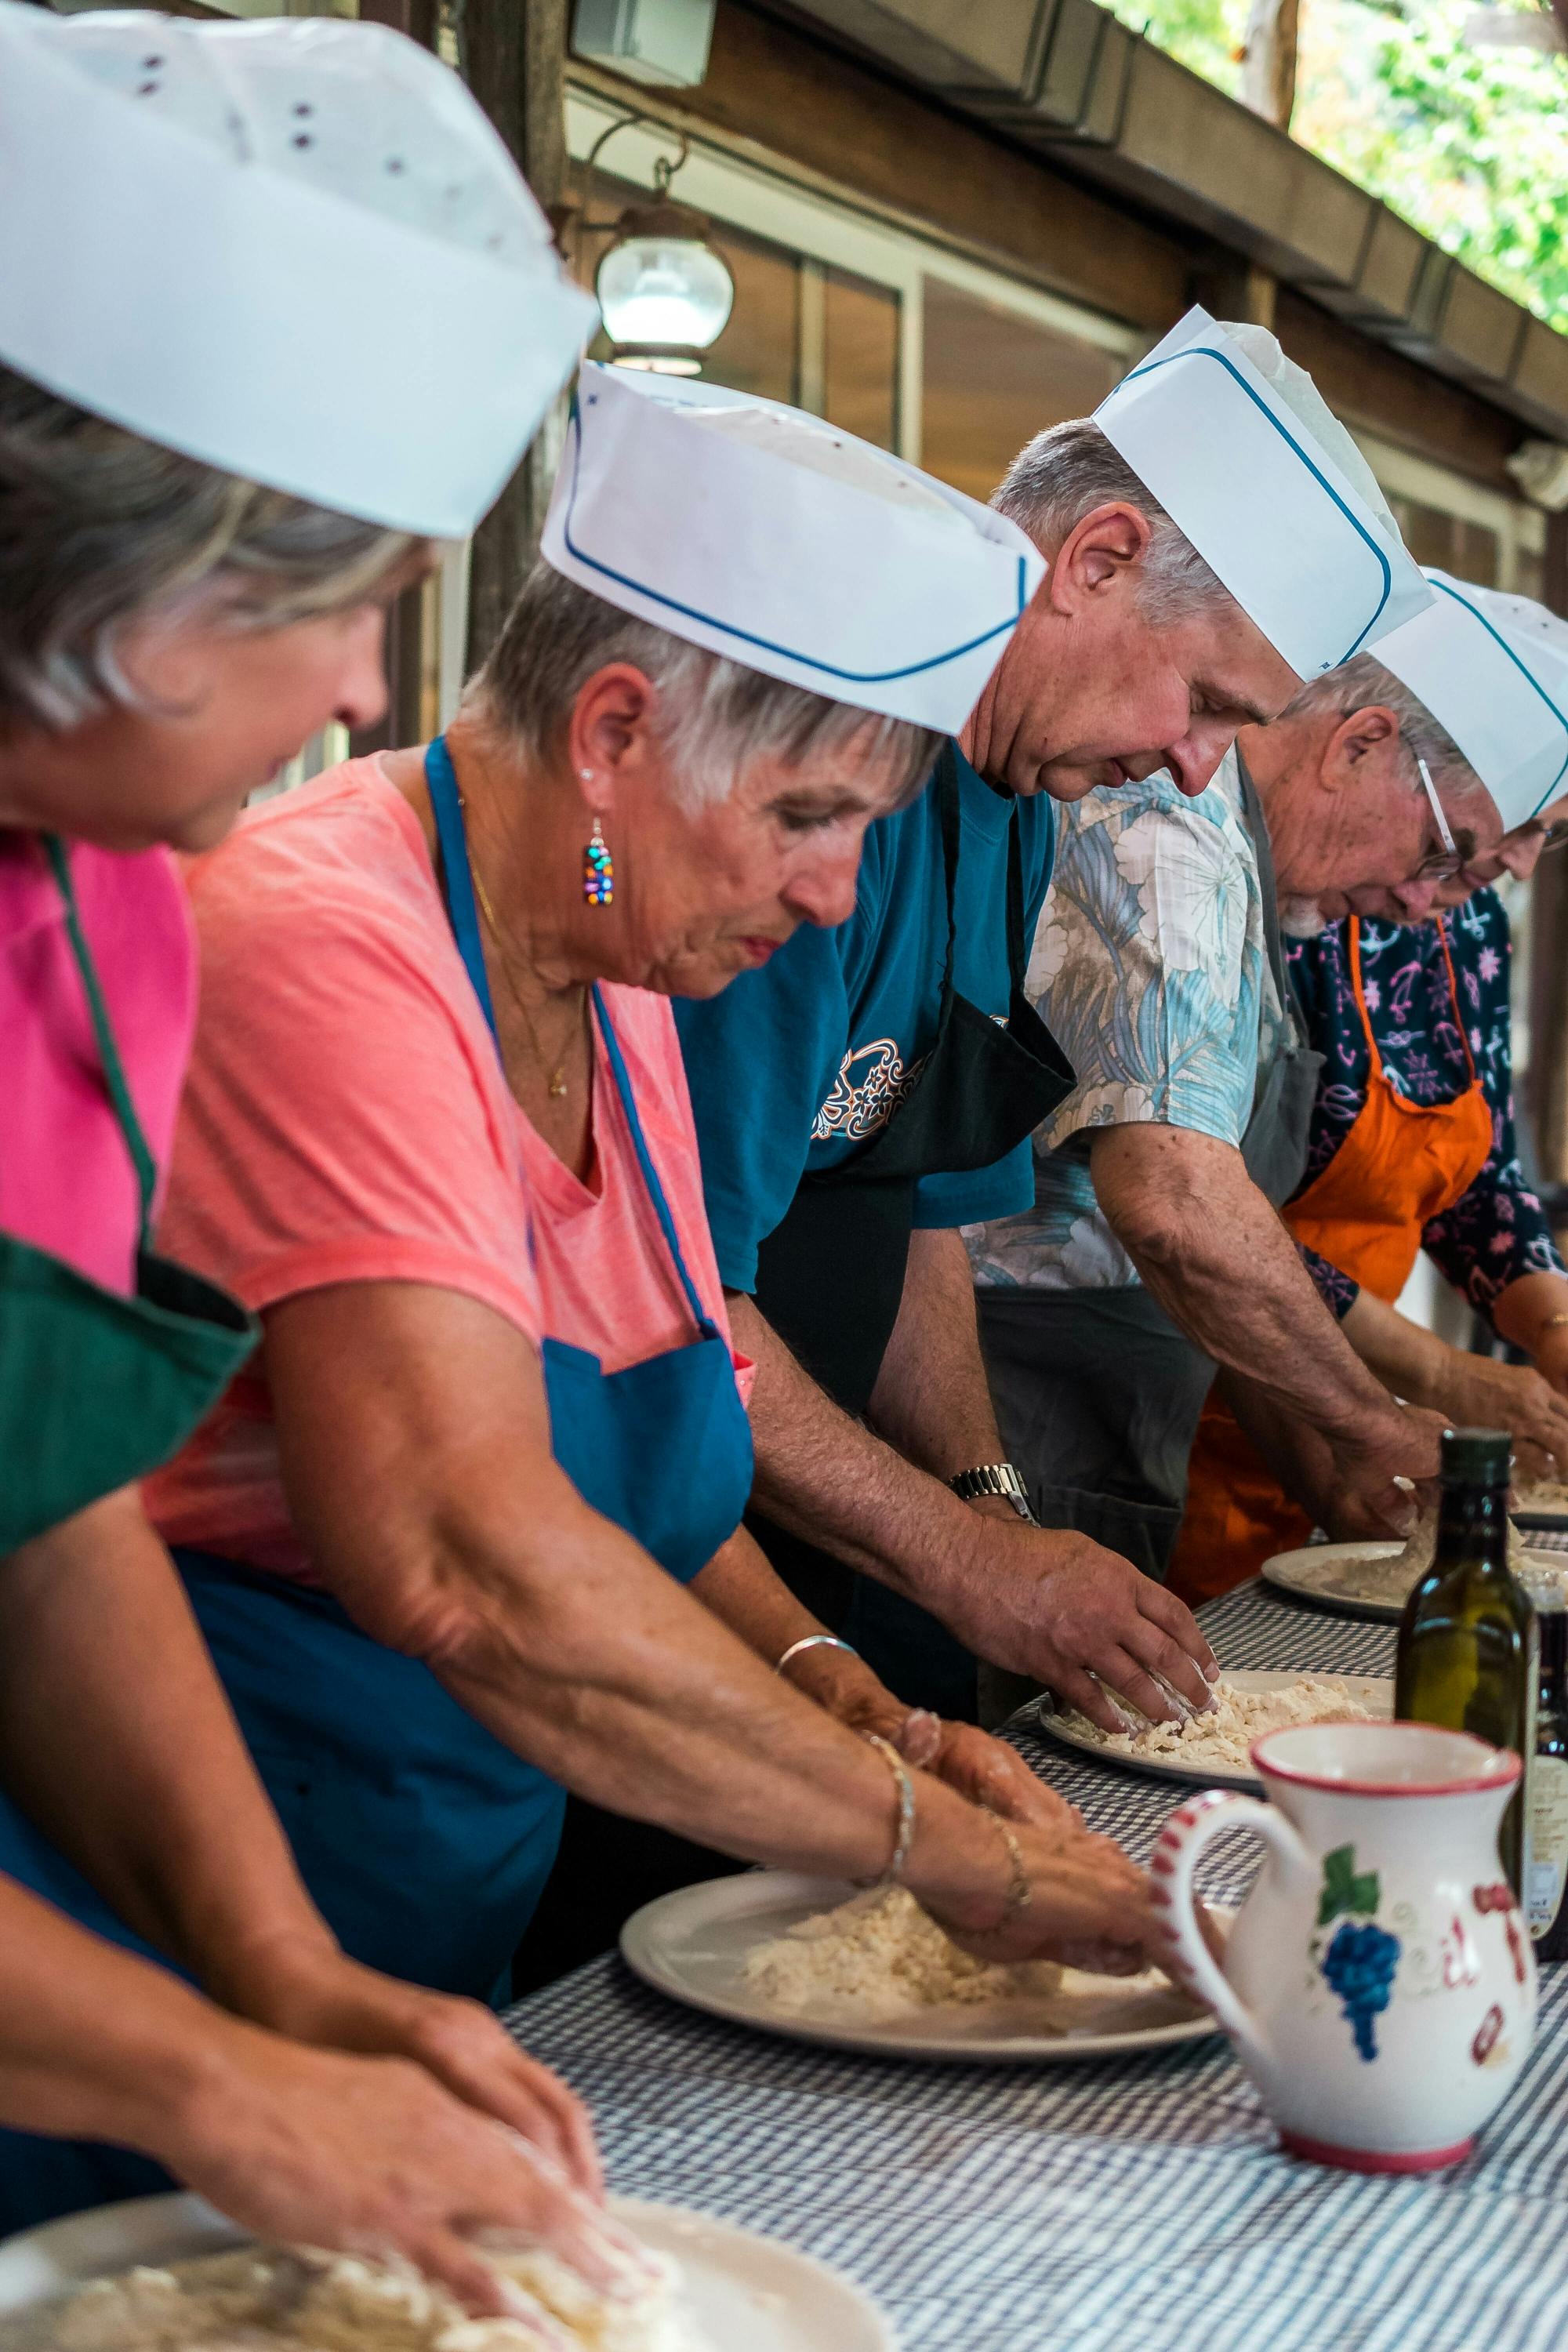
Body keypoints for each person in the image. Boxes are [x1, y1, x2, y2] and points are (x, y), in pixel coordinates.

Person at [98, 370, 1159, 2068]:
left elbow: (657, 1438)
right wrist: (934, 1848)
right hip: (187, 1942)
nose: (832, 898)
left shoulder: (619, 957)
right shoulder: (333, 945)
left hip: (449, 1917)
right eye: (810, 819)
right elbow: (469, 1556)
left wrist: (844, 1697)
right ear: (611, 736)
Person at [0, 4, 624, 2282]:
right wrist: (208, 2077)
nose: (372, 689)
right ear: (104, 581)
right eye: (338, 597)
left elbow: (39, 1503)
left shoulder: (102, 902)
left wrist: (274, 1968)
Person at [672, 310, 1434, 1727]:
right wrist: (963, 1551)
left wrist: (990, 1503)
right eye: (1206, 701)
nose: (1198, 772)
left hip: (836, 1503)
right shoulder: (811, 781)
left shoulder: (1024, 807)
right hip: (673, 1531)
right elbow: (668, 1301)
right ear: (1098, 559)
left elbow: (918, 1212)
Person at [965, 575, 1509, 1648]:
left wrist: (1329, 1455)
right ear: (1357, 745)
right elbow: (1173, 1203)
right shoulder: (1170, 840)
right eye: (1442, 859)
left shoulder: (1264, 874)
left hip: (1122, 1418)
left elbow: (1199, 1230)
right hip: (1021, 1411)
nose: (1423, 905)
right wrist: (1373, 1419)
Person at [1172, 575, 1568, 1595]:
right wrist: (1443, 1377)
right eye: (1496, 839)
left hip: (1344, 1422)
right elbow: (1198, 1206)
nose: (1515, 869)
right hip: (1214, 1397)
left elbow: (1480, 1181)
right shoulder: (1284, 884)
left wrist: (1553, 1328)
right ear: (1365, 749)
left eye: (1548, 837)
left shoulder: (1458, 919)